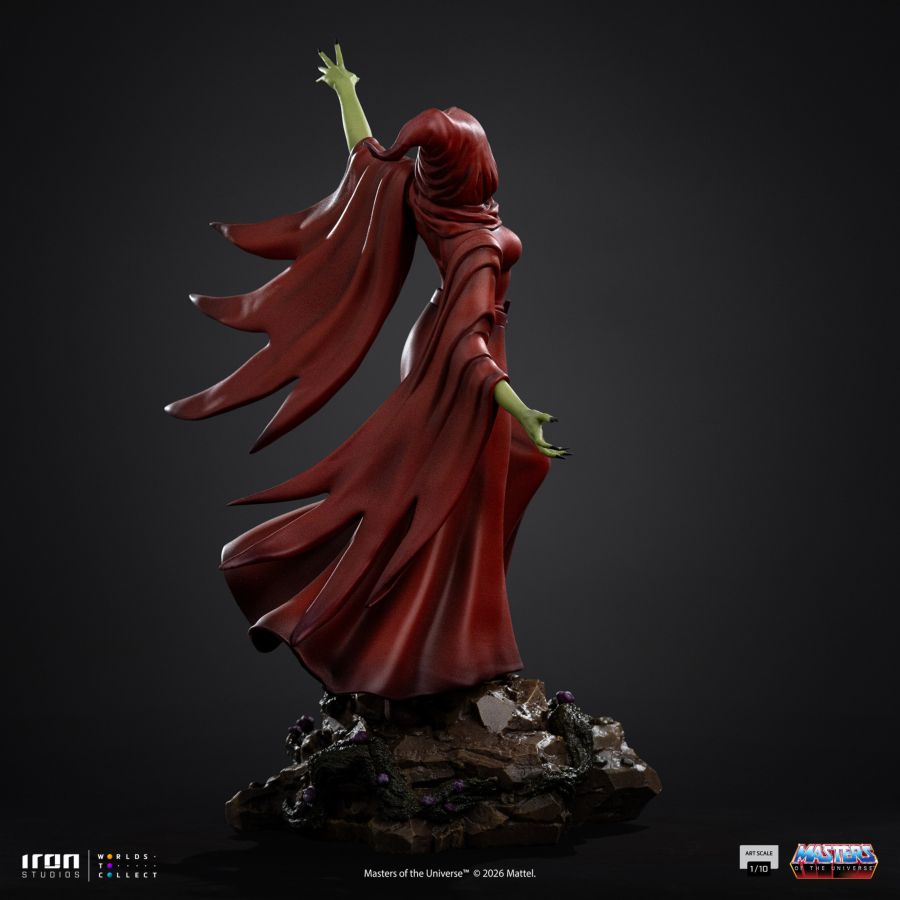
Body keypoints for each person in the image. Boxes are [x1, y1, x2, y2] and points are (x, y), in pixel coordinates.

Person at [167, 45, 570, 699]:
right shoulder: (475, 244)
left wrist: (346, 90)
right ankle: (434, 649)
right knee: (457, 494)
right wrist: (519, 407)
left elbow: (368, 157)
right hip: (462, 358)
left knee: (478, 479)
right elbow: (467, 348)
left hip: (445, 341)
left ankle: (445, 639)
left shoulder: (421, 194)